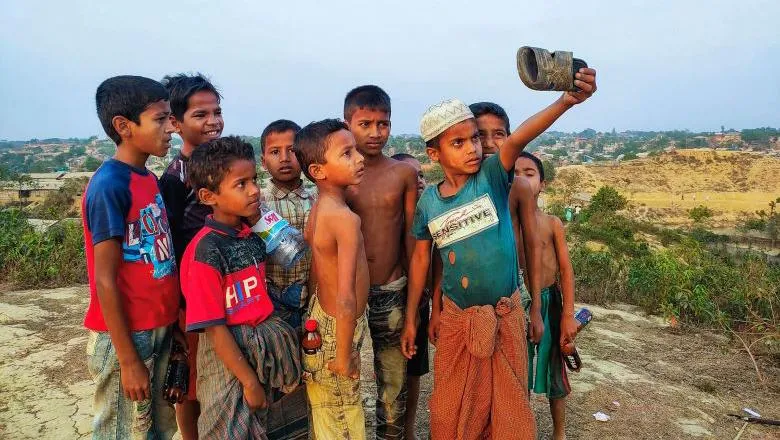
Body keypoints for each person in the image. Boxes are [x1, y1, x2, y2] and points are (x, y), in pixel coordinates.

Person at [401, 65, 596, 440]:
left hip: (506, 314)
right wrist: (417, 316)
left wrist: (567, 100)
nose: (473, 148)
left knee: (507, 408)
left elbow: (521, 136)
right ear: (433, 153)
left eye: (474, 139)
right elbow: (423, 260)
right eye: (458, 143)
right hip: (459, 318)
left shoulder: (492, 177)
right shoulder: (429, 202)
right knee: (451, 406)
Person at [181, 136, 301, 439]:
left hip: (262, 347)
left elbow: (293, 251)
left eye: (254, 180)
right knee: (228, 427)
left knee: (269, 425)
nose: (254, 190)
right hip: (228, 358)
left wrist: (259, 220)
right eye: (241, 184)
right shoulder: (206, 252)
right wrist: (248, 381)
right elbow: (215, 328)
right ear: (209, 196)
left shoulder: (250, 234)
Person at [83, 75, 180, 439]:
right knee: (123, 431)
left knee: (156, 429)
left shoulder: (147, 179)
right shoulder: (110, 186)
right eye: (160, 119)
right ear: (123, 127)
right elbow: (104, 278)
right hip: (126, 335)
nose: (171, 127)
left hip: (158, 326)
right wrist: (127, 360)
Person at [343, 85, 418, 439]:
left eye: (383, 124)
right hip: (350, 294)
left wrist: (416, 300)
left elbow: (410, 238)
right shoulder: (340, 175)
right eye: (365, 124)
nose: (375, 133)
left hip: (392, 286)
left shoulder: (401, 174)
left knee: (393, 377)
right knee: (345, 373)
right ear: (348, 123)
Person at [294, 119, 370, 439]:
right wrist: (342, 353)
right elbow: (346, 295)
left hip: (322, 318)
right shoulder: (344, 219)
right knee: (342, 413)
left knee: (328, 410)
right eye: (347, 153)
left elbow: (316, 271)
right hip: (337, 323)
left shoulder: (321, 207)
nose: (360, 158)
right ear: (319, 171)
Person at [158, 72, 224, 440]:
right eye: (201, 114)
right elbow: (167, 246)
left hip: (225, 289)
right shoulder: (174, 180)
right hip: (192, 297)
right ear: (175, 122)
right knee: (192, 383)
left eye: (217, 111)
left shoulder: (221, 168)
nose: (213, 121)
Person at [515, 152, 578, 440]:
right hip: (517, 303)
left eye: (529, 173)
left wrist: (568, 315)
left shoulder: (552, 223)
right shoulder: (506, 224)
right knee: (519, 370)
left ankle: (559, 433)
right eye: (515, 173)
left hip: (550, 301)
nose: (522, 179)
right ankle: (521, 429)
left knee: (555, 367)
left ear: (542, 184)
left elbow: (566, 270)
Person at [259, 119, 314, 440]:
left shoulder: (319, 197)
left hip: (311, 300)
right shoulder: (258, 203)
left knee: (310, 375)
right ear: (263, 159)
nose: (284, 158)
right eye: (274, 152)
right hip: (273, 305)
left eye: (292, 150)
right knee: (278, 377)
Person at [469, 101, 542, 335]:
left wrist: (536, 308)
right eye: (480, 135)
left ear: (510, 138)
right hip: (466, 290)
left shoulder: (519, 188)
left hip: (510, 288)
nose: (489, 143)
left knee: (510, 363)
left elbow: (533, 247)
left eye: (499, 134)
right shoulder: (456, 188)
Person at [391, 152, 428, 440]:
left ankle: (410, 429)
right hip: (391, 294)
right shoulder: (389, 216)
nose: (417, 182)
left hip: (421, 298)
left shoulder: (431, 213)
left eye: (421, 176)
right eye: (410, 177)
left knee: (414, 367)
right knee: (392, 367)